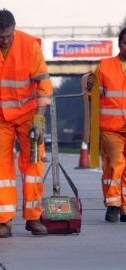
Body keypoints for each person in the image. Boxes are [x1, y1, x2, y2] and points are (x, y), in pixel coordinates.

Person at [0, 9, 53, 238]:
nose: (5, 41)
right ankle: (3, 221)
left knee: (34, 165)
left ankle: (33, 217)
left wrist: (39, 118)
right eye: (1, 37)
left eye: (8, 36)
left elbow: (44, 85)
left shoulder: (29, 46)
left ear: (14, 29)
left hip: (27, 115)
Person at [88, 27, 126, 223]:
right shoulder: (105, 67)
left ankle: (125, 207)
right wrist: (89, 85)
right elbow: (93, 96)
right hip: (111, 127)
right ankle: (113, 204)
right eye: (125, 43)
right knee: (116, 163)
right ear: (119, 45)